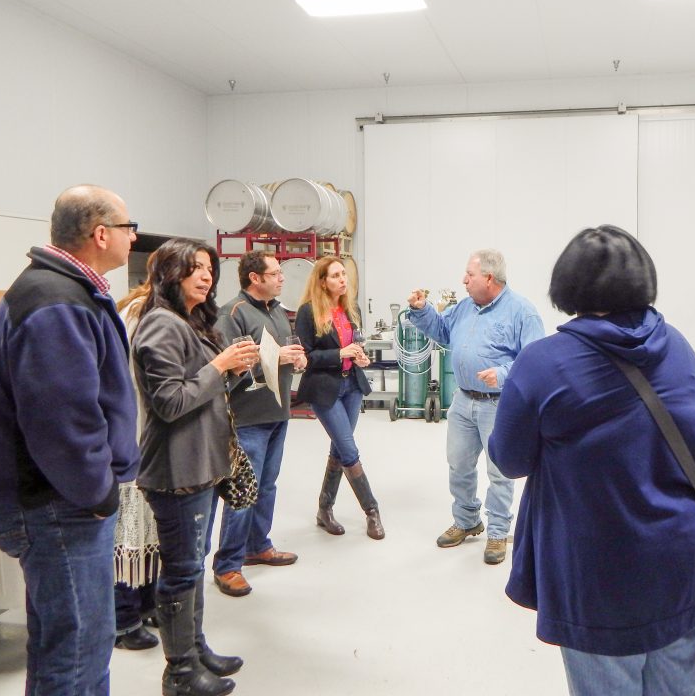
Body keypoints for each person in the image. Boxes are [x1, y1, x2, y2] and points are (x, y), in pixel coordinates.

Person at [487, 226, 695, 696]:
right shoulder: (676, 344)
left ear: (566, 287)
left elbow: (509, 459)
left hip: (599, 570)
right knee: (677, 683)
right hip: (685, 558)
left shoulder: (543, 363)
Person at [0, 185, 139, 695]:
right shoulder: (56, 300)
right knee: (80, 647)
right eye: (128, 227)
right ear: (101, 233)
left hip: (56, 499)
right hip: (57, 503)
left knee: (60, 640)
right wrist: (97, 491)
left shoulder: (66, 291)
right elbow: (62, 417)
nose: (133, 236)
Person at [132, 238, 258, 696]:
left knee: (192, 565)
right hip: (176, 471)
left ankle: (196, 649)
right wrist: (220, 365)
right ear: (171, 273)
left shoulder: (190, 321)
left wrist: (236, 367)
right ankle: (180, 672)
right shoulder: (161, 325)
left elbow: (203, 389)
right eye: (195, 268)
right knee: (181, 571)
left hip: (200, 465)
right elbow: (169, 401)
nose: (206, 276)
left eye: (209, 268)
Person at [406, 249, 544, 565]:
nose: (463, 280)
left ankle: (497, 533)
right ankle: (468, 520)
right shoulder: (465, 307)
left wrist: (504, 374)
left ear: (489, 279)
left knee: (499, 472)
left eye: (470, 275)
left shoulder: (523, 313)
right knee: (458, 464)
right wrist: (422, 309)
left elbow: (535, 361)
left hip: (499, 406)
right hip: (463, 400)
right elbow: (442, 331)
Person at [210, 250, 306, 597]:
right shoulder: (233, 313)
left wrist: (296, 357)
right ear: (255, 278)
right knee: (242, 492)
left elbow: (285, 349)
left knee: (266, 487)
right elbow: (231, 364)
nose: (282, 278)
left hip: (277, 412)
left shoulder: (278, 311)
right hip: (248, 417)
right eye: (276, 273)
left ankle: (257, 546)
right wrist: (277, 356)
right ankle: (227, 565)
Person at [295, 257, 384, 540]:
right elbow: (306, 357)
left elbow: (356, 343)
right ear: (322, 281)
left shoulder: (351, 308)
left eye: (343, 274)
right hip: (325, 390)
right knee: (348, 449)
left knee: (338, 449)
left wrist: (359, 356)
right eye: (335, 275)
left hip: (352, 387)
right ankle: (372, 511)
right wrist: (339, 354)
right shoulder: (308, 313)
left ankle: (324, 509)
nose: (343, 279)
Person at [112, 270, 161, 651]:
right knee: (129, 525)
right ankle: (123, 617)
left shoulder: (155, 310)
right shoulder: (139, 312)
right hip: (132, 431)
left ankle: (146, 602)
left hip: (150, 434)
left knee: (150, 523)